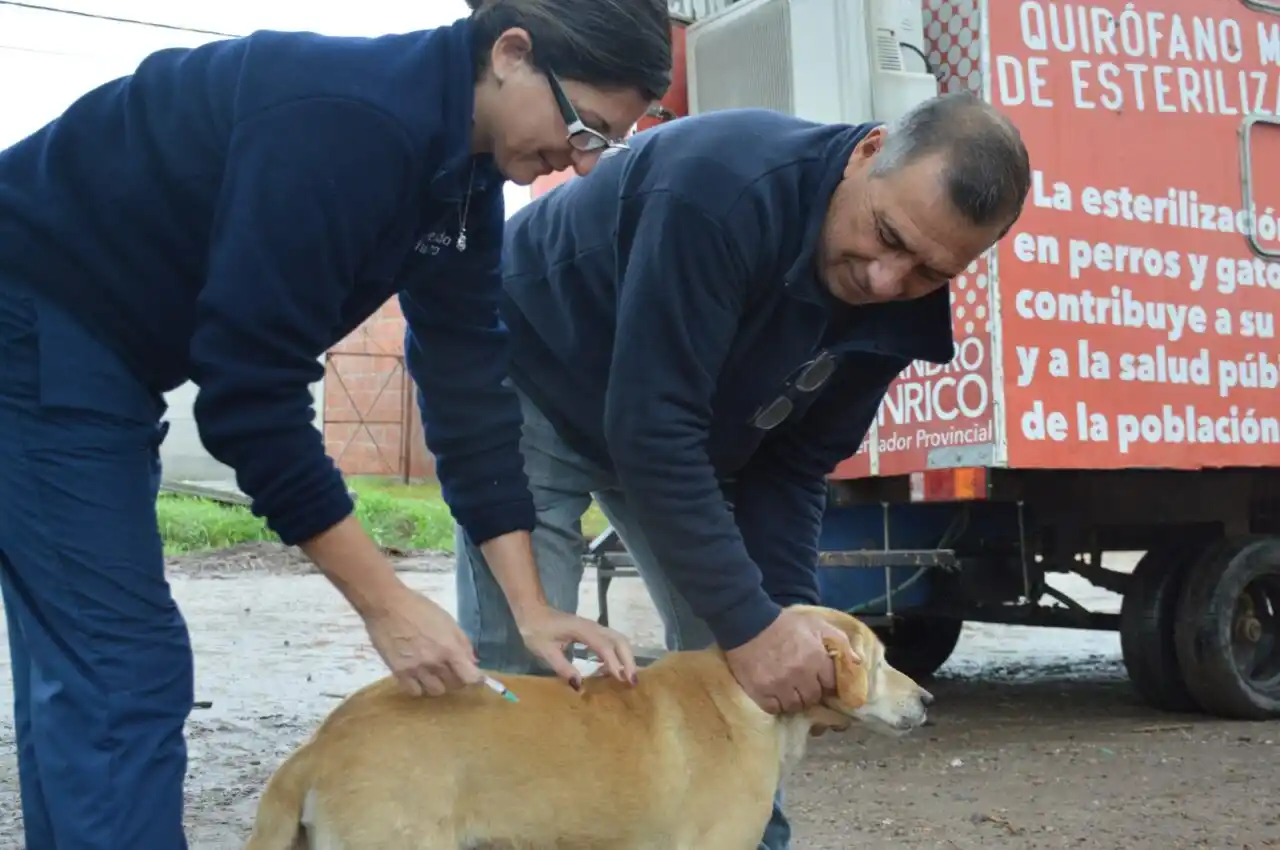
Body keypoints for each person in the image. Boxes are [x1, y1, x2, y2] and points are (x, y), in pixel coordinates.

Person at [0, 0, 671, 846]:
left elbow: (468, 387)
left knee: (87, 669)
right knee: (120, 673)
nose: (579, 166)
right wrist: (384, 602)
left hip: (108, 355)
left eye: (602, 148)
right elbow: (250, 394)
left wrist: (530, 607)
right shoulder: (347, 123)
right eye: (586, 128)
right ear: (509, 52)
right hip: (34, 316)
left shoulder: (463, 180)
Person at [459, 91, 1031, 849]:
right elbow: (651, 430)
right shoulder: (720, 190)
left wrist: (788, 625)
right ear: (867, 153)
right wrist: (753, 628)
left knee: (745, 666)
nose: (889, 282)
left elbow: (791, 467)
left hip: (678, 427)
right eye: (887, 235)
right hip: (539, 371)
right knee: (523, 672)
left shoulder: (895, 305)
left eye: (930, 270)